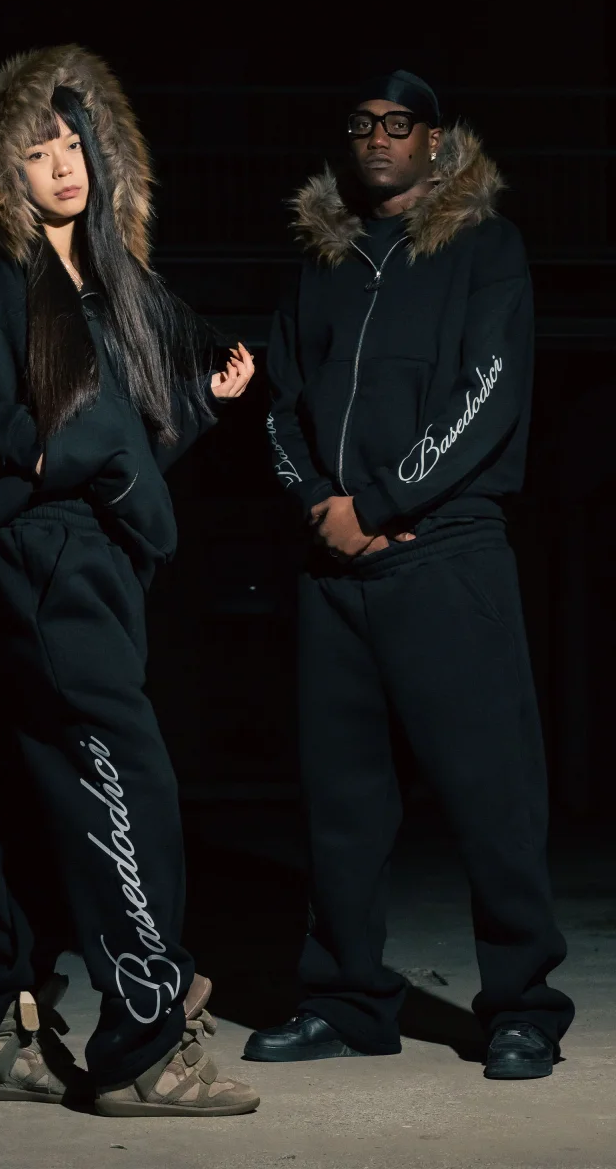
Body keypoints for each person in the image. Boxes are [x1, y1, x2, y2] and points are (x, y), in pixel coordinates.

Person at [0, 44, 260, 1117]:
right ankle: (144, 1045)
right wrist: (27, 443)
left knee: (33, 787)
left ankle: (2, 1032)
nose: (61, 167)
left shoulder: (113, 286)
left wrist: (200, 406)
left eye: (72, 145)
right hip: (43, 549)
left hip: (102, 555)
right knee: (123, 781)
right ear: (3, 169)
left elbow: (123, 449)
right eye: (37, 151)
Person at [247, 70, 573, 1080]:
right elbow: (279, 400)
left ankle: (522, 1006)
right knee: (340, 803)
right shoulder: (322, 262)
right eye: (362, 124)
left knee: (492, 794)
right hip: (333, 568)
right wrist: (320, 506)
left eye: (399, 124)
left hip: (447, 555)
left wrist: (381, 503)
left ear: (434, 140)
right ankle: (345, 1001)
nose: (378, 138)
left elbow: (489, 392)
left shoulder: (485, 247)